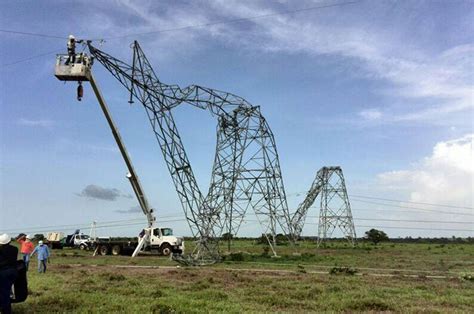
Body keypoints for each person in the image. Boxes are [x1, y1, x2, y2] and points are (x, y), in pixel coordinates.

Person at [0, 233, 18, 314]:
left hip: (3, 273)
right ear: (9, 241)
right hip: (13, 272)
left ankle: (6, 311)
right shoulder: (15, 249)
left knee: (4, 293)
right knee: (6, 291)